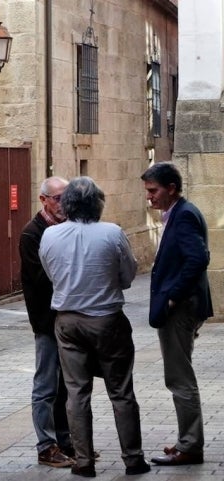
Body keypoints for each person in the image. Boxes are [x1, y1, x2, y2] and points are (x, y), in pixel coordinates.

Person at [39, 177, 149, 477]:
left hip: (68, 321)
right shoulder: (112, 233)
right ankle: (133, 458)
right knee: (121, 391)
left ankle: (84, 462)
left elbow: (51, 275)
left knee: (76, 392)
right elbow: (128, 275)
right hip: (107, 319)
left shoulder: (50, 236)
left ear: (68, 204)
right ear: (98, 204)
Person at [141, 162, 213, 466]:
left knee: (179, 378)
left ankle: (190, 445)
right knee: (181, 376)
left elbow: (198, 258)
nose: (150, 197)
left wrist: (172, 298)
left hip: (180, 310)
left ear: (171, 188)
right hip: (184, 307)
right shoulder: (180, 213)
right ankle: (188, 440)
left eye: (153, 191)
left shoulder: (183, 215)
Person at [19, 176, 75, 468]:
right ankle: (46, 445)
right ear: (43, 200)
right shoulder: (32, 233)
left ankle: (65, 441)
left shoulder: (68, 228)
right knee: (45, 385)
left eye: (67, 196)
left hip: (68, 318)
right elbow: (40, 281)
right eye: (57, 198)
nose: (64, 203)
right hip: (46, 320)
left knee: (66, 384)